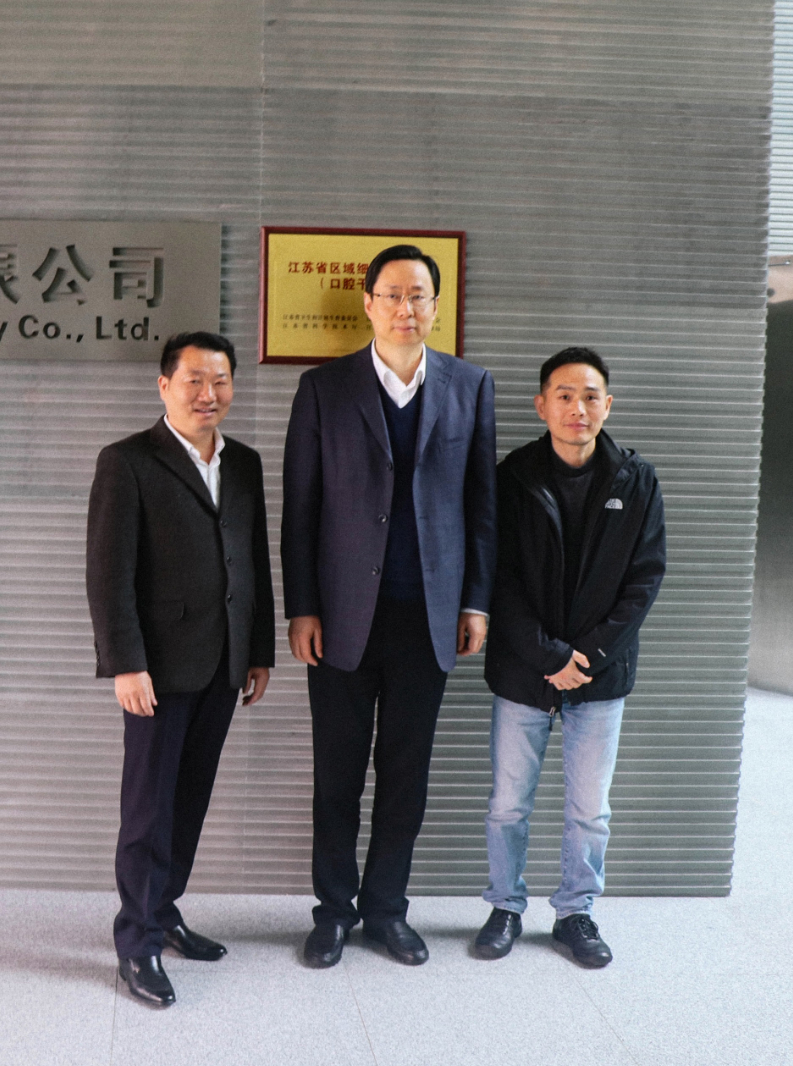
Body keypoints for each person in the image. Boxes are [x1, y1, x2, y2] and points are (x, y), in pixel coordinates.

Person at [282, 244, 496, 967]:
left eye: (419, 296)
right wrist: (302, 607)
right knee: (337, 776)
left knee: (406, 777)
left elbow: (482, 506)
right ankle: (333, 913)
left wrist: (476, 601)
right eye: (393, 295)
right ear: (368, 303)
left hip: (427, 617)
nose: (407, 308)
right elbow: (301, 508)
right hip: (341, 616)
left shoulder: (470, 386)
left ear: (437, 306)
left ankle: (386, 910)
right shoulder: (324, 388)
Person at [86, 330, 275, 1007]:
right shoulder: (128, 461)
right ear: (164, 385)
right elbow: (109, 574)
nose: (208, 393)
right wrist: (125, 664)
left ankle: (163, 913)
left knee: (189, 800)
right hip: (157, 670)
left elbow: (253, 560)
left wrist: (259, 650)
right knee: (148, 808)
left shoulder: (244, 463)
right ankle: (136, 941)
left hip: (223, 662)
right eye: (194, 380)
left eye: (220, 380)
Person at [472, 346, 665, 968]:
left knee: (590, 810)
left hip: (601, 675)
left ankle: (575, 913)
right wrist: (548, 655)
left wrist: (590, 655)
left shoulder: (637, 479)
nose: (577, 408)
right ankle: (505, 907)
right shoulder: (512, 476)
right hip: (524, 671)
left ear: (608, 405)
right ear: (541, 405)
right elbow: (496, 576)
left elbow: (644, 578)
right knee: (508, 804)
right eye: (564, 395)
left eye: (589, 396)